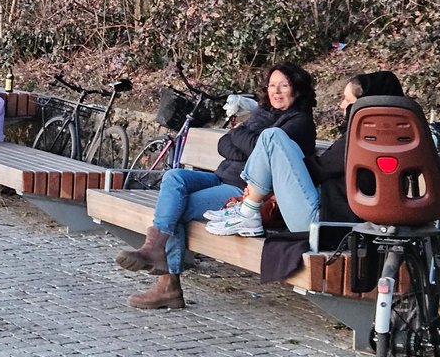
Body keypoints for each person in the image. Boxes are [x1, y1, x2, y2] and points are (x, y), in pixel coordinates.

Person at [116, 63, 317, 310]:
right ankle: (154, 250)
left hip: (243, 191)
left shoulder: (299, 123)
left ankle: (166, 283)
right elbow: (225, 142)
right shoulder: (264, 113)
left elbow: (257, 148)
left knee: (174, 207)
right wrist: (242, 142)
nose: (276, 91)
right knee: (174, 178)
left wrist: (241, 139)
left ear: (297, 89)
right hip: (221, 177)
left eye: (283, 85)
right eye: (272, 85)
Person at [204, 70, 405, 238]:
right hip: (336, 219)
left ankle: (248, 212)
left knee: (272, 137)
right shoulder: (398, 140)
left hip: (323, 223)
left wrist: (274, 173)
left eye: (347, 100)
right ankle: (248, 210)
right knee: (271, 138)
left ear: (366, 104)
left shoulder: (361, 140)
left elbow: (317, 170)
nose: (342, 105)